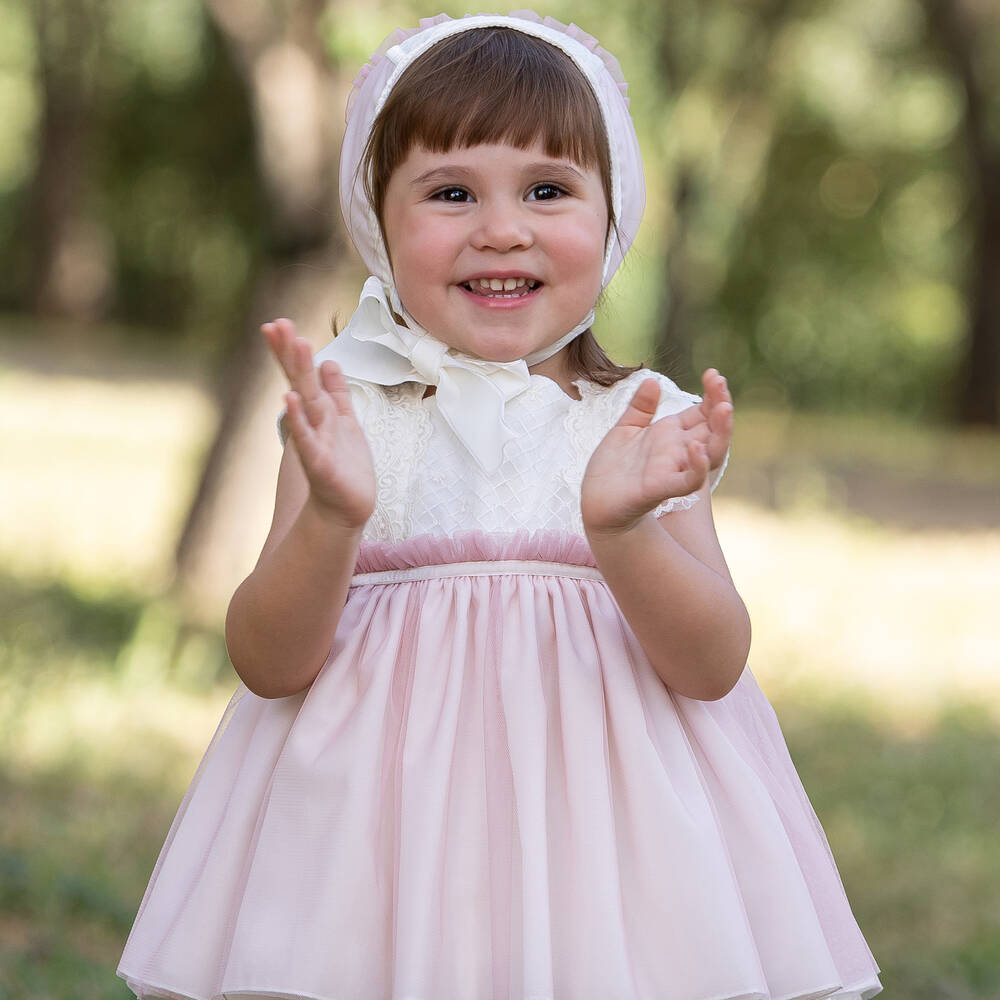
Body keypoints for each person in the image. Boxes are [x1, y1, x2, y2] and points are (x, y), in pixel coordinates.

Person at [118, 12, 882, 1000]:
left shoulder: (643, 423)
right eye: (449, 192)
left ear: (612, 217)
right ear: (378, 227)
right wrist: (330, 520)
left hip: (609, 864)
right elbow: (267, 663)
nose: (502, 226)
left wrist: (621, 533)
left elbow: (711, 665)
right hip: (378, 863)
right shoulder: (345, 420)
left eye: (547, 189)